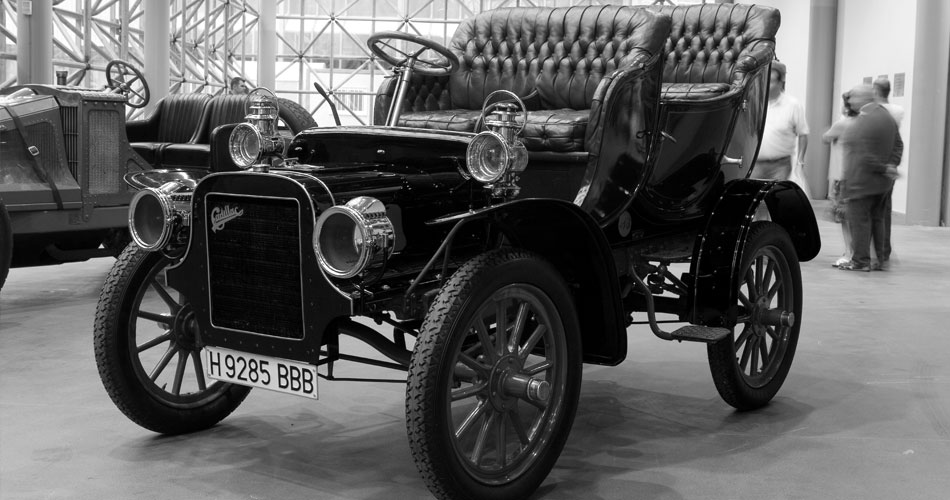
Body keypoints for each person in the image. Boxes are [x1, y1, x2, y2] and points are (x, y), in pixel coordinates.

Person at [837, 84, 902, 272]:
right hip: (882, 183)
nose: (849, 101)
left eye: (852, 97)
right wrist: (891, 165)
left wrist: (883, 167)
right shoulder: (886, 116)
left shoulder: (864, 120)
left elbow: (863, 154)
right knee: (878, 220)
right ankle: (880, 258)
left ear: (862, 98)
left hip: (861, 181)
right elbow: (898, 144)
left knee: (859, 221)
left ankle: (860, 261)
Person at [752, 60, 809, 182]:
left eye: (771, 81)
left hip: (780, 165)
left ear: (780, 83)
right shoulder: (755, 104)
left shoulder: (793, 105)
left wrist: (800, 160)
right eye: (765, 81)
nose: (766, 84)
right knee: (754, 193)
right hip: (755, 163)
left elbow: (803, 134)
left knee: (776, 193)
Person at [823, 91, 858, 267]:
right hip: (857, 175)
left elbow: (825, 138)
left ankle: (849, 252)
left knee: (845, 218)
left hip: (841, 176)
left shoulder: (842, 124)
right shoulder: (862, 123)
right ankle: (856, 252)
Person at [872, 77, 904, 267]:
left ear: (875, 90)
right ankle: (883, 250)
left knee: (872, 212)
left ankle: (873, 252)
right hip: (889, 163)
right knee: (885, 211)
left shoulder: (875, 112)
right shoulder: (897, 111)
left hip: (876, 165)